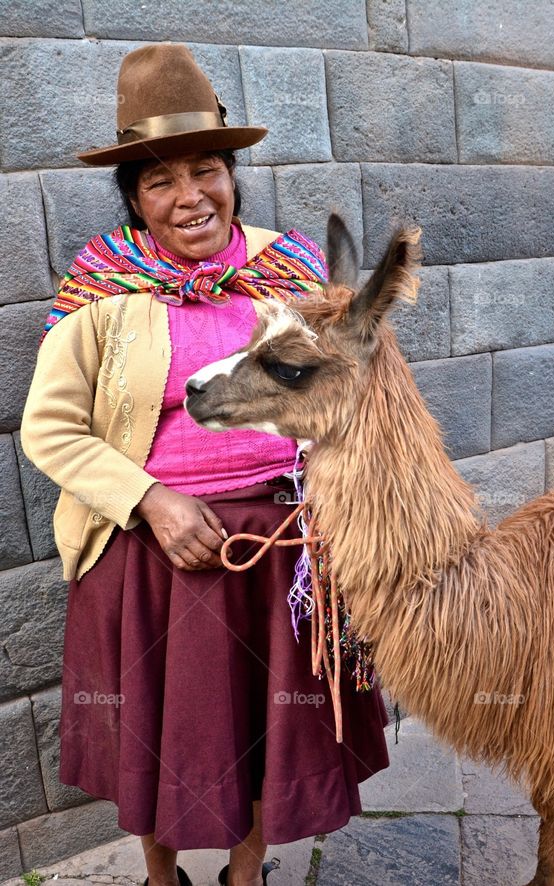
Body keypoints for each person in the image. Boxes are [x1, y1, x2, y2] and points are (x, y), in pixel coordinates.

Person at [20, 42, 390, 886]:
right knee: (162, 738)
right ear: (134, 201)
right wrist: (151, 501)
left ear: (233, 176)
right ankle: (161, 877)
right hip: (153, 556)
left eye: (206, 170)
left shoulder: (285, 273)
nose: (189, 197)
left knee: (267, 732)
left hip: (283, 549)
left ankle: (246, 873)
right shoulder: (102, 292)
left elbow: (347, 398)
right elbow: (50, 431)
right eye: (160, 181)